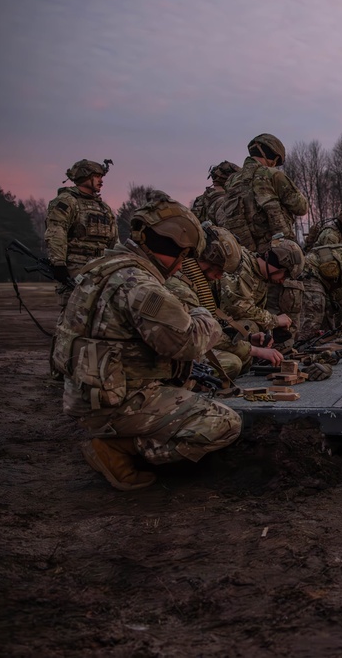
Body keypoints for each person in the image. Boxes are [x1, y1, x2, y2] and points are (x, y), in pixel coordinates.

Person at [51, 194, 241, 491]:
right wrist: (204, 314)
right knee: (225, 423)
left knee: (194, 381)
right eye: (183, 257)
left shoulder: (102, 268)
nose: (181, 267)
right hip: (116, 404)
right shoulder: (140, 285)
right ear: (174, 249)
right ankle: (120, 449)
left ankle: (119, 438)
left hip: (90, 395)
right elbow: (189, 343)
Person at [165, 223, 283, 379]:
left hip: (190, 341)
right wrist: (254, 350)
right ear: (207, 259)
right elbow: (201, 333)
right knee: (231, 364)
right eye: (219, 269)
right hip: (174, 349)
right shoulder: (180, 287)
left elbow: (211, 319)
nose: (220, 276)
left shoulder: (196, 280)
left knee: (241, 357)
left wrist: (248, 338)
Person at [217, 133, 308, 253]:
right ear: (274, 157)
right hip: (276, 252)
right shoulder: (272, 174)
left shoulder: (232, 179)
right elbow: (301, 208)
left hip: (245, 253)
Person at [44, 159, 118, 305]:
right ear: (85, 176)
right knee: (75, 312)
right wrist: (59, 263)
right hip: (76, 269)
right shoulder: (67, 201)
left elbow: (114, 241)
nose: (101, 181)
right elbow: (56, 231)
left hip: (101, 269)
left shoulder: (104, 208)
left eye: (101, 177)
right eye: (97, 176)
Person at [220, 235, 304, 334]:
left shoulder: (260, 276)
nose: (282, 281)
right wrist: (274, 320)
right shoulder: (242, 265)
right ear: (277, 265)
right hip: (214, 323)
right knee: (250, 327)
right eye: (284, 275)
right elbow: (238, 309)